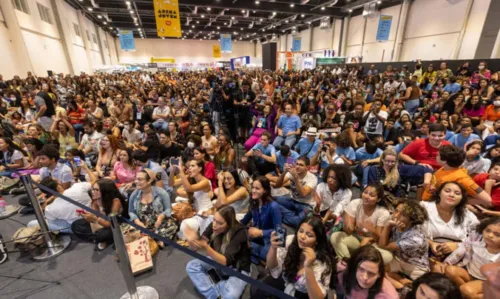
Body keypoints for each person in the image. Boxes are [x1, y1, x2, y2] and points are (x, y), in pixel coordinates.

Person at [250, 216, 336, 299]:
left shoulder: (323, 262)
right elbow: (272, 267)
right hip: (286, 279)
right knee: (256, 289)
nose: (302, 237)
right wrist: (273, 248)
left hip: (304, 293)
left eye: (309, 235)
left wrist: (308, 267)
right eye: (301, 231)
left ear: (317, 241)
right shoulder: (290, 241)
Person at [186, 206, 251, 299]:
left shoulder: (240, 232)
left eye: (220, 223)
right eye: (214, 220)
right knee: (191, 266)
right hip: (217, 259)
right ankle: (215, 295)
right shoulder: (213, 225)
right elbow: (201, 244)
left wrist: (206, 247)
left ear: (228, 224)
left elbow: (226, 261)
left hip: (237, 268)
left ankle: (216, 284)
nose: (214, 225)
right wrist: (192, 241)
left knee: (230, 296)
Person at [421, 182, 479, 270]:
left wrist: (458, 246)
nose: (451, 195)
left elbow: (479, 237)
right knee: (437, 270)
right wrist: (431, 243)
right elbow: (409, 231)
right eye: (447, 191)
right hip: (423, 249)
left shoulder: (467, 214)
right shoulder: (424, 207)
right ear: (439, 193)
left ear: (461, 198)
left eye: (457, 193)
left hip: (458, 255)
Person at [330, 183, 393, 265]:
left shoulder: (383, 213)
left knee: (388, 257)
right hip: (355, 238)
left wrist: (370, 234)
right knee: (335, 237)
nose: (366, 196)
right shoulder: (355, 203)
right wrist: (345, 219)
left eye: (371, 195)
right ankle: (348, 262)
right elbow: (349, 231)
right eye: (365, 192)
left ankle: (357, 261)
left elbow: (379, 239)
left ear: (378, 199)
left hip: (371, 243)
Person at [378, 199, 430, 291]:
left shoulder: (415, 238)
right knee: (377, 271)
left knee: (420, 289)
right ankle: (398, 279)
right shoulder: (397, 222)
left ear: (412, 219)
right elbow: (381, 243)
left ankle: (402, 286)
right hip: (398, 260)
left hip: (415, 266)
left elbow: (384, 245)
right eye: (397, 211)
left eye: (403, 215)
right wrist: (389, 225)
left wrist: (388, 226)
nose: (396, 215)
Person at [444, 217, 500, 299]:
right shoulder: (477, 238)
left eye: (498, 235)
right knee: (450, 270)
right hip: (470, 273)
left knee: (466, 290)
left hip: (486, 281)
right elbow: (460, 251)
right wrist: (446, 262)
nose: (490, 235)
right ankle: (467, 293)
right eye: (487, 230)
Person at [71, 176, 128, 250]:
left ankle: (99, 238)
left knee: (103, 234)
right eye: (92, 189)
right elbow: (94, 215)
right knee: (75, 225)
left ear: (105, 191)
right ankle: (99, 238)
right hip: (100, 223)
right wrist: (85, 215)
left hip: (114, 225)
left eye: (96, 190)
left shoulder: (115, 201)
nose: (93, 192)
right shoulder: (95, 200)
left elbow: (110, 223)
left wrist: (95, 220)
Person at [421, 145, 491, 206]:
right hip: (427, 202)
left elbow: (487, 199)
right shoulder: (445, 168)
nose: (436, 156)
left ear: (445, 160)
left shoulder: (462, 178)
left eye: (438, 155)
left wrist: (459, 201)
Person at [128, 169, 177, 248]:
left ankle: (149, 240)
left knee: (171, 226)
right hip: (142, 224)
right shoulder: (134, 194)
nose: (136, 181)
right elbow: (131, 212)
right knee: (126, 231)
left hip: (159, 224)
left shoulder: (161, 193)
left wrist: (161, 217)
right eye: (135, 179)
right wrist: (137, 221)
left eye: (139, 179)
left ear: (149, 181)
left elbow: (168, 209)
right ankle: (155, 240)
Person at [27, 176, 92, 233]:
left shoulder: (50, 208)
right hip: (93, 216)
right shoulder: (78, 187)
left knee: (31, 224)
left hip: (76, 226)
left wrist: (45, 206)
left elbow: (51, 221)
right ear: (58, 186)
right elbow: (94, 182)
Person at [240, 177, 282, 264]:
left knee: (266, 254)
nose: (253, 191)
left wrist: (261, 232)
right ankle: (255, 256)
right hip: (255, 237)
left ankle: (255, 255)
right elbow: (244, 221)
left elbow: (280, 233)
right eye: (253, 188)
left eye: (257, 188)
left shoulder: (274, 206)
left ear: (265, 191)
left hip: (269, 239)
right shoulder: (254, 202)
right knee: (236, 239)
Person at [169, 159, 213, 239]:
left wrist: (180, 171)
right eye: (189, 166)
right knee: (172, 207)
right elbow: (171, 183)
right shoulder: (189, 178)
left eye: (192, 166)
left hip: (205, 213)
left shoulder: (205, 182)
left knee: (185, 225)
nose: (189, 168)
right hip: (194, 211)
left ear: (200, 168)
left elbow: (189, 188)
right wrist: (172, 171)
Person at [366, 148, 432, 197]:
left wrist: (426, 181)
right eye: (387, 161)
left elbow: (426, 169)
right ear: (382, 160)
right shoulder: (374, 169)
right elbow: (372, 187)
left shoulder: (399, 168)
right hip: (378, 197)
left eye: (393, 161)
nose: (390, 164)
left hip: (395, 198)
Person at [274, 156, 318, 228]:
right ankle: (290, 214)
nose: (297, 167)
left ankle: (281, 213)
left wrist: (296, 178)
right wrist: (284, 172)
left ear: (307, 167)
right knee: (271, 199)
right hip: (292, 200)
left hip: (306, 205)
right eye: (296, 164)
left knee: (299, 222)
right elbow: (277, 185)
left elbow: (303, 194)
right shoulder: (292, 172)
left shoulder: (312, 178)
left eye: (301, 165)